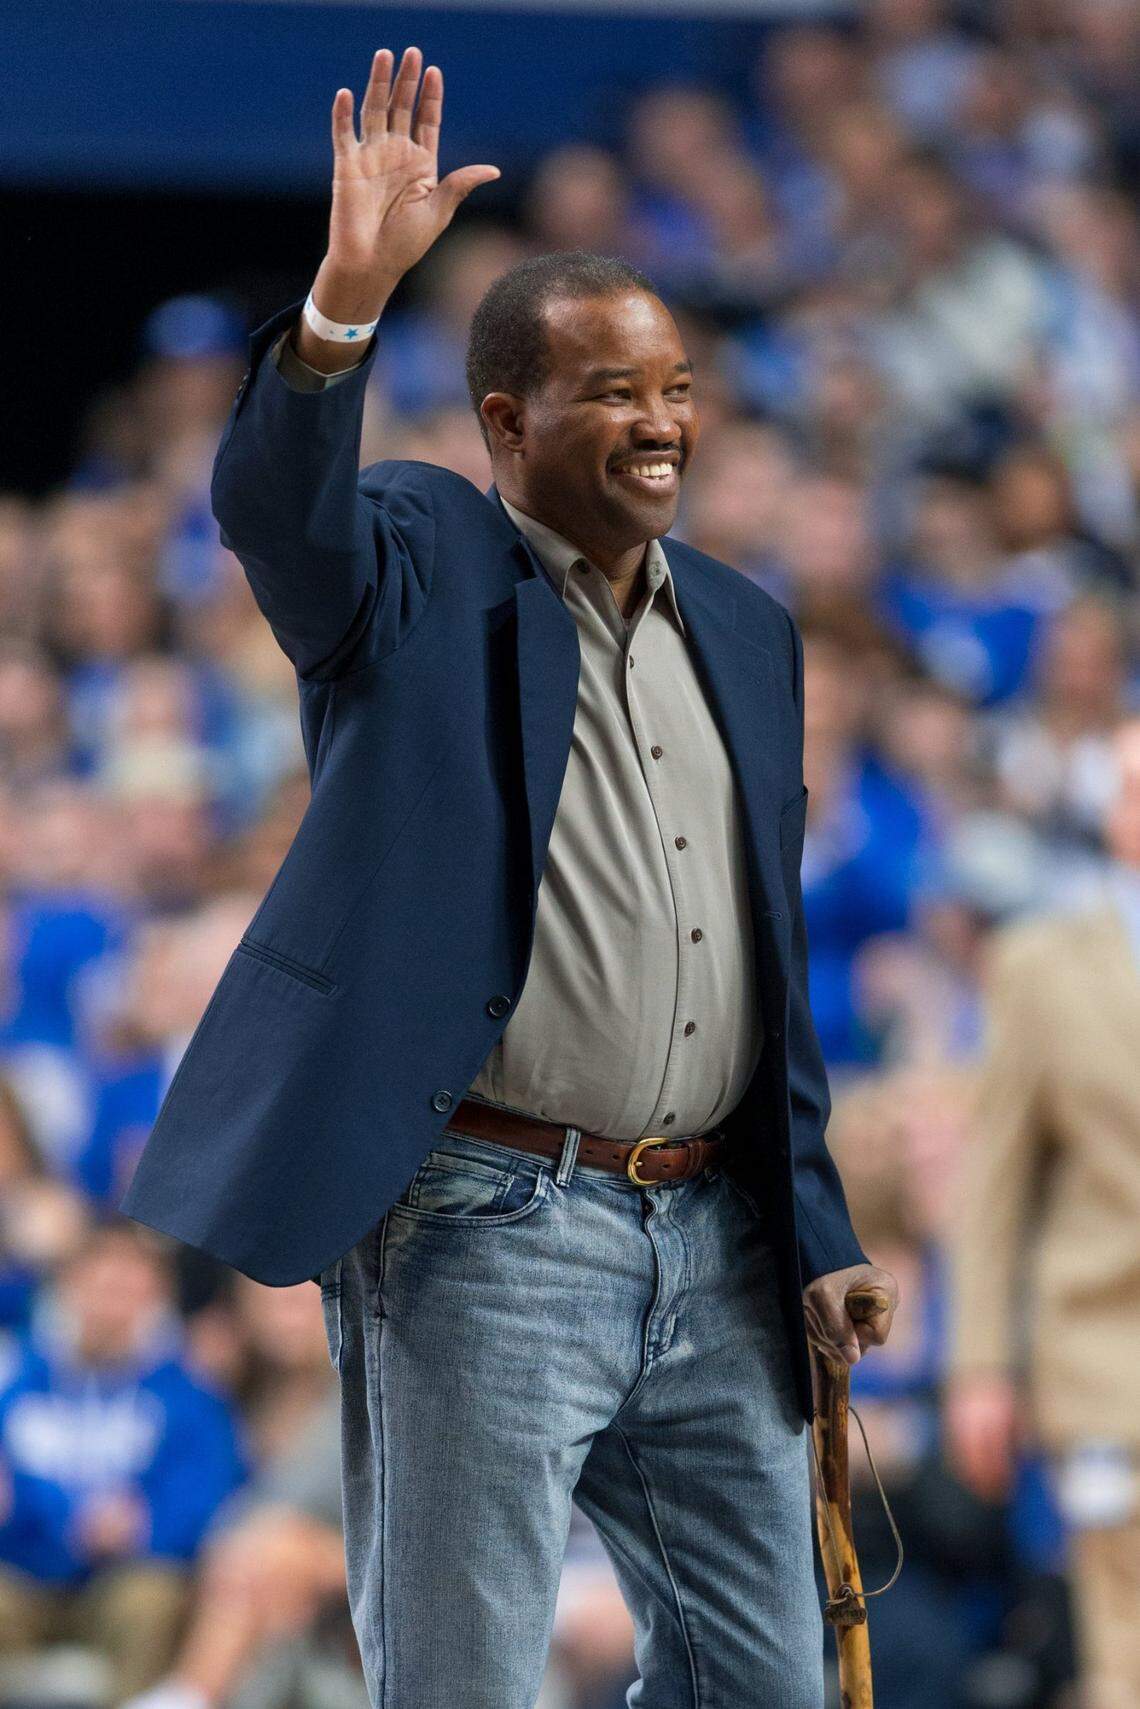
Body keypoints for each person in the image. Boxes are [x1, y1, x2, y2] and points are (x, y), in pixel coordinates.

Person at [123, 46, 897, 1708]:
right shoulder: (416, 557)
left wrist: (814, 1222)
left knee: (767, 1681)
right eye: (616, 390)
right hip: (488, 1221)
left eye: (676, 383)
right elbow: (275, 511)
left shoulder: (753, 632)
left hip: (717, 1230)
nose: (664, 421)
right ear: (507, 419)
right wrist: (343, 303)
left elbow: (766, 961)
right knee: (465, 1677)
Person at [946, 714, 1140, 1709]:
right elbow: (995, 1183)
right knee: (1125, 1647)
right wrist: (980, 1364)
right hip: (1105, 1349)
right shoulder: (1038, 963)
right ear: (1114, 812)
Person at [0, 1220, 246, 1699]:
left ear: (156, 1297)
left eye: (129, 1286)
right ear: (67, 1285)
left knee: (149, 1601)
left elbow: (213, 1493)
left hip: (129, 1579)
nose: (111, 1300)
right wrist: (67, 1520)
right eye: (99, 1281)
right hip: (27, 1573)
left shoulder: (188, 1395)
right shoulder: (19, 1383)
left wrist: (146, 1526)